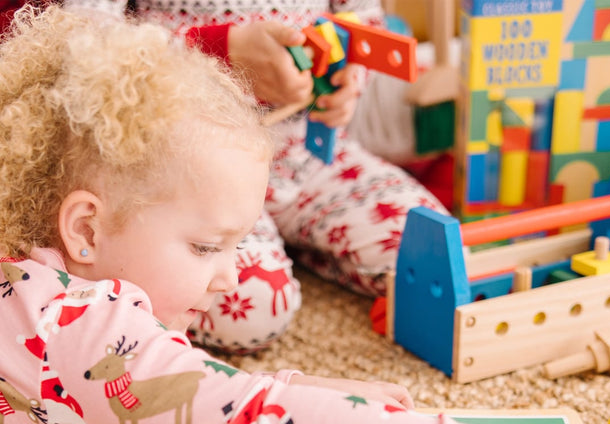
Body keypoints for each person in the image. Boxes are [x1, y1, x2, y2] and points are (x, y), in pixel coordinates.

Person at [0, 7, 610, 424]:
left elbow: (156, 404)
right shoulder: (67, 322)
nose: (229, 277)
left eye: (235, 245)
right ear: (84, 229)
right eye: (205, 246)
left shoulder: (79, 318)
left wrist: (307, 391)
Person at [59, 0, 448, 355]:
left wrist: (350, 80)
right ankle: (265, 248)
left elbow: (361, 18)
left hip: (309, 152)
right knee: (250, 310)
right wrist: (214, 49)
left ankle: (292, 246)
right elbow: (80, 33)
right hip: (190, 171)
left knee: (431, 252)